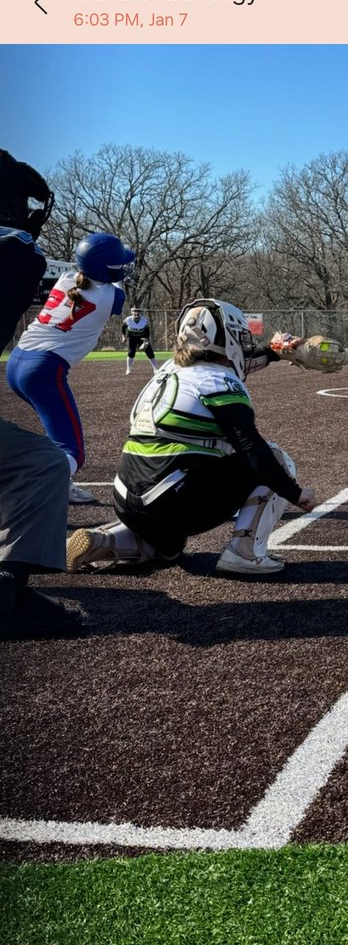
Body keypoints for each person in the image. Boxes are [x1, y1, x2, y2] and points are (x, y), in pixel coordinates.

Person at [66, 299, 317, 576]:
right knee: (275, 459)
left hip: (126, 499)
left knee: (168, 547)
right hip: (170, 500)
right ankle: (246, 554)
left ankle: (106, 540)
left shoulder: (169, 371)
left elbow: (232, 363)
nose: (243, 343)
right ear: (223, 337)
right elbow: (251, 448)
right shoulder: (217, 381)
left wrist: (273, 351)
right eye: (238, 335)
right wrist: (295, 493)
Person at [0, 147, 83, 637]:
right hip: (43, 365)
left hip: (25, 362)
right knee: (46, 461)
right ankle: (8, 588)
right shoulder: (16, 249)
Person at [6, 231, 135, 503]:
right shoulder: (109, 297)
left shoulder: (67, 280)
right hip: (43, 369)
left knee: (56, 434)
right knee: (72, 450)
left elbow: (95, 276)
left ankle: (61, 486)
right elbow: (117, 286)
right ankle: (30, 490)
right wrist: (118, 271)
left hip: (18, 362)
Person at [122, 306, 158, 375]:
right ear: (131, 312)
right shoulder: (128, 320)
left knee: (149, 352)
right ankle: (128, 369)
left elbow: (147, 332)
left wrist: (146, 340)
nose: (136, 313)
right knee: (131, 352)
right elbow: (123, 327)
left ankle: (155, 369)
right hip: (132, 337)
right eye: (134, 311)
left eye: (138, 311)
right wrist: (123, 336)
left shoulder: (144, 321)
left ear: (140, 312)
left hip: (142, 337)